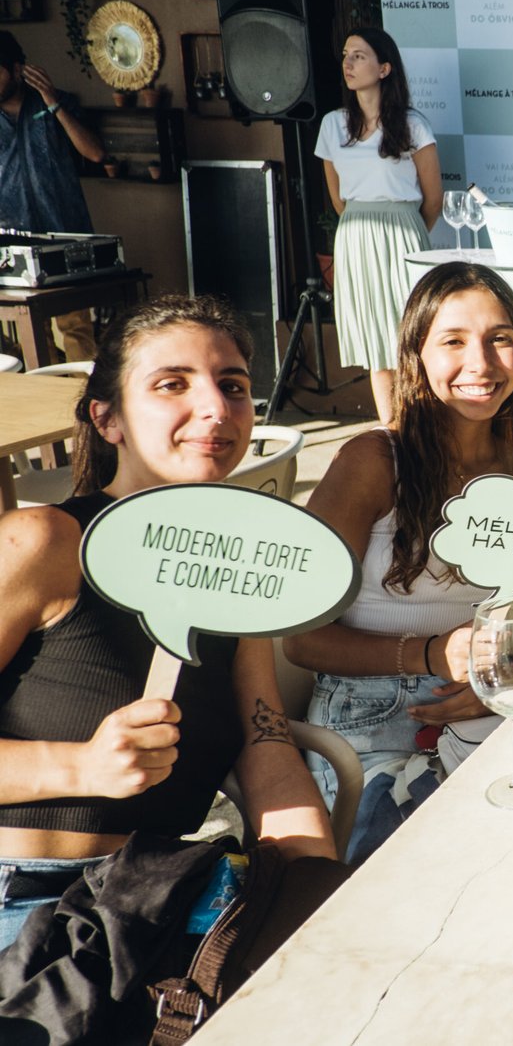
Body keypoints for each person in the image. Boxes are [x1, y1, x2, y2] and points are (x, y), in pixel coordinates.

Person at [0, 296, 336, 950]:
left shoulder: (235, 567)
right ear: (107, 418)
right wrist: (80, 768)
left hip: (162, 899)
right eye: (172, 384)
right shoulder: (44, 542)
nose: (215, 408)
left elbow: (266, 748)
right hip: (27, 899)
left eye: (232, 385)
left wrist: (315, 888)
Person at [284, 262, 513, 864]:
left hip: (493, 702)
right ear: (416, 354)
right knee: (411, 873)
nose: (481, 363)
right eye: (453, 341)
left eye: (499, 339)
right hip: (371, 713)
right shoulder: (373, 462)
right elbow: (301, 641)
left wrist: (506, 684)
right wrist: (434, 654)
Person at [315, 26, 443, 426]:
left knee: (413, 333)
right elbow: (338, 199)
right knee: (376, 341)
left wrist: (406, 231)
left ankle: (422, 427)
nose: (348, 63)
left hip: (404, 232)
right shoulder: (333, 125)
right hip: (355, 234)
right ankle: (391, 431)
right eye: (345, 55)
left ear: (384, 68)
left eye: (359, 55)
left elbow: (433, 199)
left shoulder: (413, 124)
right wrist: (363, 228)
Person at [0, 30, 106, 361]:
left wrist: (53, 102)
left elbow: (95, 153)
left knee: (76, 328)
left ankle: (83, 392)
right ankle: (45, 390)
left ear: (17, 69)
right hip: (11, 242)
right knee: (31, 333)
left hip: (63, 236)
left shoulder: (55, 103)